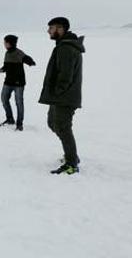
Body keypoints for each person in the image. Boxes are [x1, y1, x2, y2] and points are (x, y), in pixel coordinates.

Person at [39, 17, 85, 175]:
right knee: (53, 123)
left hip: (64, 97)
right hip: (61, 96)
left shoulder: (66, 48)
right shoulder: (64, 46)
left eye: (51, 28)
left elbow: (65, 76)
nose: (48, 31)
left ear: (60, 29)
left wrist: (57, 92)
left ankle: (72, 163)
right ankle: (72, 156)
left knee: (63, 128)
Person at [0, 35, 36, 131]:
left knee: (19, 103)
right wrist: (3, 69)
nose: (4, 44)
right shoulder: (7, 53)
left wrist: (30, 61)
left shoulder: (19, 53)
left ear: (10, 43)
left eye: (5, 42)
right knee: (4, 99)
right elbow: (6, 66)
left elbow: (28, 60)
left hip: (19, 83)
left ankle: (19, 124)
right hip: (8, 81)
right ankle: (10, 119)